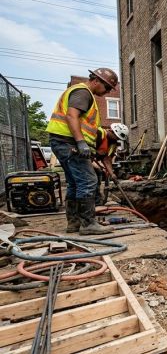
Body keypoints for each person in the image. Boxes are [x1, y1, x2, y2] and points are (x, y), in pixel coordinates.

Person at [45, 68, 119, 235]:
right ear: (96, 81)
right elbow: (72, 116)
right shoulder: (83, 92)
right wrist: (80, 142)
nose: (107, 92)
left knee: (74, 183)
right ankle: (88, 224)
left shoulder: (82, 93)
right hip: (69, 142)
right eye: (107, 87)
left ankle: (74, 223)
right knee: (88, 180)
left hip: (63, 142)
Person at [93, 123, 129, 205]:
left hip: (92, 160)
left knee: (98, 175)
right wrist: (96, 165)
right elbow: (88, 151)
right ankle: (88, 203)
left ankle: (96, 201)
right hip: (82, 158)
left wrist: (112, 174)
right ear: (112, 131)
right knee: (92, 178)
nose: (117, 139)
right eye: (116, 137)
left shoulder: (112, 142)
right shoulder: (99, 134)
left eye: (118, 138)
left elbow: (107, 159)